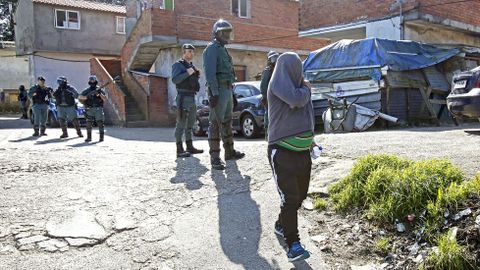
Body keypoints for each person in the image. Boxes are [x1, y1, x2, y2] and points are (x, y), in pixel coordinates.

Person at [267, 52, 314, 262]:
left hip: (303, 151)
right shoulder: (279, 86)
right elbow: (296, 100)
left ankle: (281, 224)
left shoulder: (302, 89)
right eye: (293, 68)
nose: (297, 72)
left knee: (301, 195)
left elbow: (308, 114)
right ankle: (293, 244)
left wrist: (311, 139)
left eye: (299, 67)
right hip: (282, 151)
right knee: (290, 198)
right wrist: (306, 88)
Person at [203, 19, 245, 170]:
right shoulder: (212, 49)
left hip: (226, 89)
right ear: (217, 33)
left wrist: (231, 92)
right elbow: (210, 73)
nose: (227, 35)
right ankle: (215, 158)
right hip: (218, 90)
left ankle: (230, 152)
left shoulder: (222, 49)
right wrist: (214, 93)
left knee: (227, 122)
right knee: (215, 124)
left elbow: (228, 72)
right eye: (224, 32)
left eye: (228, 32)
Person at [172, 44, 204, 158]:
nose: (191, 53)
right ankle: (179, 149)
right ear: (183, 52)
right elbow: (175, 79)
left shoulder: (191, 66)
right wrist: (188, 73)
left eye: (192, 51)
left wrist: (195, 74)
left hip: (192, 97)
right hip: (183, 98)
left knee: (190, 123)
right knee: (181, 123)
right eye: (189, 51)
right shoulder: (178, 65)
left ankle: (190, 147)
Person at [79, 76, 105, 142]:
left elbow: (105, 99)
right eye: (91, 81)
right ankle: (89, 138)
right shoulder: (86, 90)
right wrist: (87, 97)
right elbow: (80, 98)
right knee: (88, 123)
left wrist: (99, 94)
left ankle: (101, 138)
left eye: (93, 81)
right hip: (89, 109)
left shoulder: (99, 89)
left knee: (100, 123)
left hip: (98, 108)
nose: (92, 83)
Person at [260, 50, 279, 135]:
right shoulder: (267, 71)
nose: (275, 61)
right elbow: (263, 86)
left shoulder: (279, 70)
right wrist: (265, 96)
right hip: (269, 96)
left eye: (276, 58)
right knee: (268, 113)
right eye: (273, 59)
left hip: (277, 96)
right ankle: (267, 133)